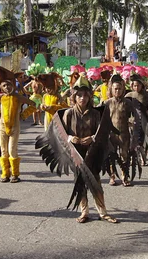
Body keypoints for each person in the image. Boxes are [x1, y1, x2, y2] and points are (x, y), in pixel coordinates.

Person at [62, 75, 117, 224]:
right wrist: (70, 138)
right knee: (79, 183)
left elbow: (102, 133)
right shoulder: (68, 114)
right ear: (74, 96)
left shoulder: (95, 114)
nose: (82, 99)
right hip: (76, 154)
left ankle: (102, 212)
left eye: (85, 95)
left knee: (95, 182)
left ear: (89, 97)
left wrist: (92, 138)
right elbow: (61, 133)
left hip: (92, 153)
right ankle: (84, 211)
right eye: (79, 95)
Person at [0, 66, 36, 183]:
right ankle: (5, 173)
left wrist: (24, 115)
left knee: (12, 151)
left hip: (15, 127)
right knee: (3, 151)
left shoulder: (18, 97)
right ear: (1, 87)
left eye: (9, 85)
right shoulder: (0, 97)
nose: (7, 87)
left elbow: (33, 104)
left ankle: (15, 174)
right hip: (2, 127)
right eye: (4, 86)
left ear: (13, 85)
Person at [104, 74, 137, 187]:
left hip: (124, 134)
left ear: (123, 89)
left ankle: (125, 176)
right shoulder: (107, 103)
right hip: (111, 134)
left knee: (124, 156)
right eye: (115, 89)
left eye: (120, 89)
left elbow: (134, 115)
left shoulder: (127, 103)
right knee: (111, 156)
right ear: (112, 90)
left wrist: (132, 122)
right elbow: (98, 116)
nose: (117, 91)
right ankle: (112, 176)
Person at [125, 73, 148, 166]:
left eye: (138, 85)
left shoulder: (146, 95)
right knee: (133, 139)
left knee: (142, 139)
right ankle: (134, 157)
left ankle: (143, 158)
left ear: (142, 85)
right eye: (134, 85)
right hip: (132, 120)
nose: (136, 87)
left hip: (143, 120)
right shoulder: (129, 95)